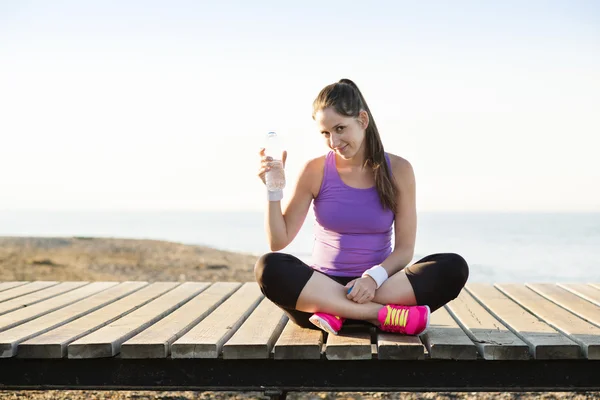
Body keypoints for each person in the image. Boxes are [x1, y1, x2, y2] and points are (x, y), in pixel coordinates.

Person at [254, 78, 469, 336]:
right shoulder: (315, 170)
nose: (333, 141)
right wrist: (273, 189)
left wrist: (373, 278)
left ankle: (337, 312)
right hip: (323, 286)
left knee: (453, 267)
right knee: (268, 267)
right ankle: (377, 315)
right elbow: (278, 241)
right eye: (325, 133)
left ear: (363, 121)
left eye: (340, 128)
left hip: (379, 285)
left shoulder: (399, 170)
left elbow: (404, 250)